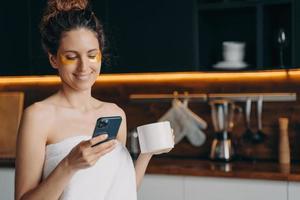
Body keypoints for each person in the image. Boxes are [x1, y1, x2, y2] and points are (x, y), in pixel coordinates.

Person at [15, 0, 170, 199]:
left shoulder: (114, 114)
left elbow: (122, 188)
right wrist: (69, 165)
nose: (83, 67)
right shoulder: (38, 117)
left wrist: (147, 153)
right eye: (71, 56)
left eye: (91, 55)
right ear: (53, 59)